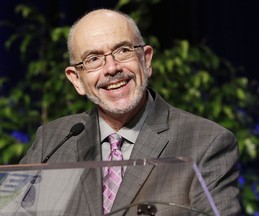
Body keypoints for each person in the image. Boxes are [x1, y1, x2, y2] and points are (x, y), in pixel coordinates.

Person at [20, 9, 240, 216]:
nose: (112, 68)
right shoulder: (52, 140)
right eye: (93, 59)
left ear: (146, 60)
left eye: (123, 51)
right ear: (76, 79)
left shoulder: (207, 142)